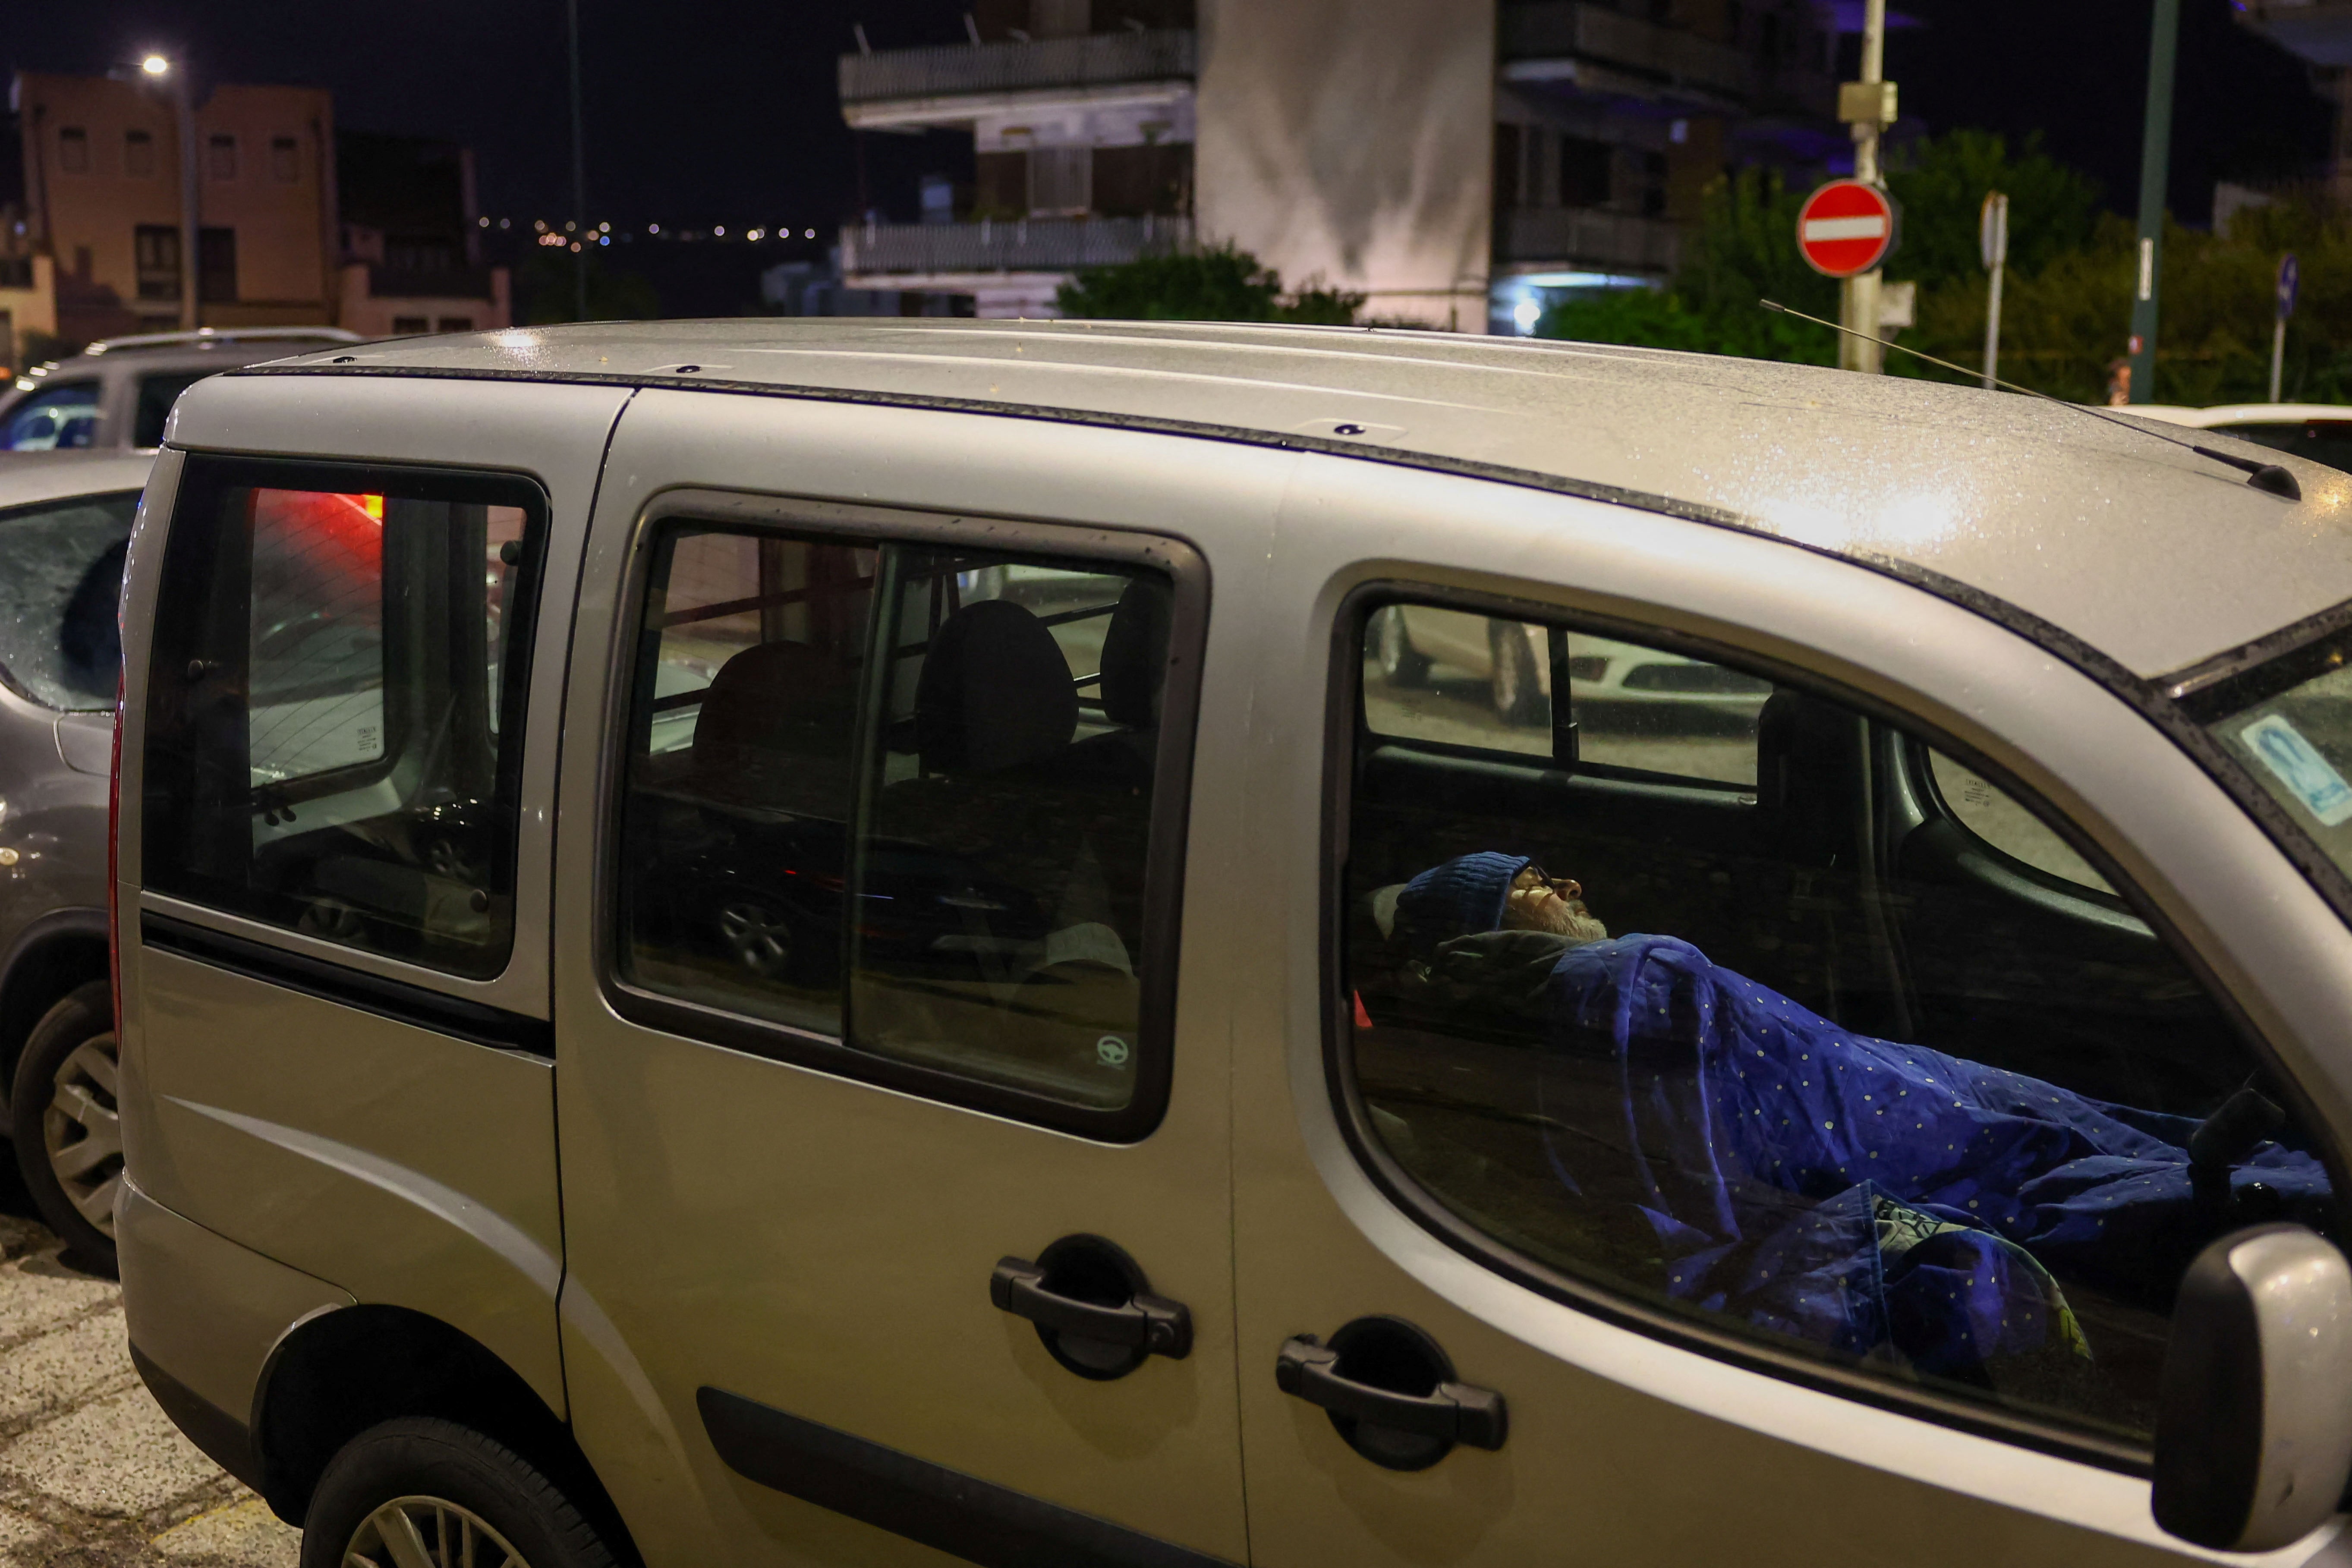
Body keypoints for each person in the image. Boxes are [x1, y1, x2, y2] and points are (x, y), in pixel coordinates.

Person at [1384, 851, 2332, 1392]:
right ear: (1487, 934)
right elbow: (1664, 997)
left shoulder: (1601, 982)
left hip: (1911, 1091)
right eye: (1532, 884)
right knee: (2128, 1178)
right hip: (1926, 1140)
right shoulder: (1617, 979)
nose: (1570, 886)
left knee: (2117, 1138)